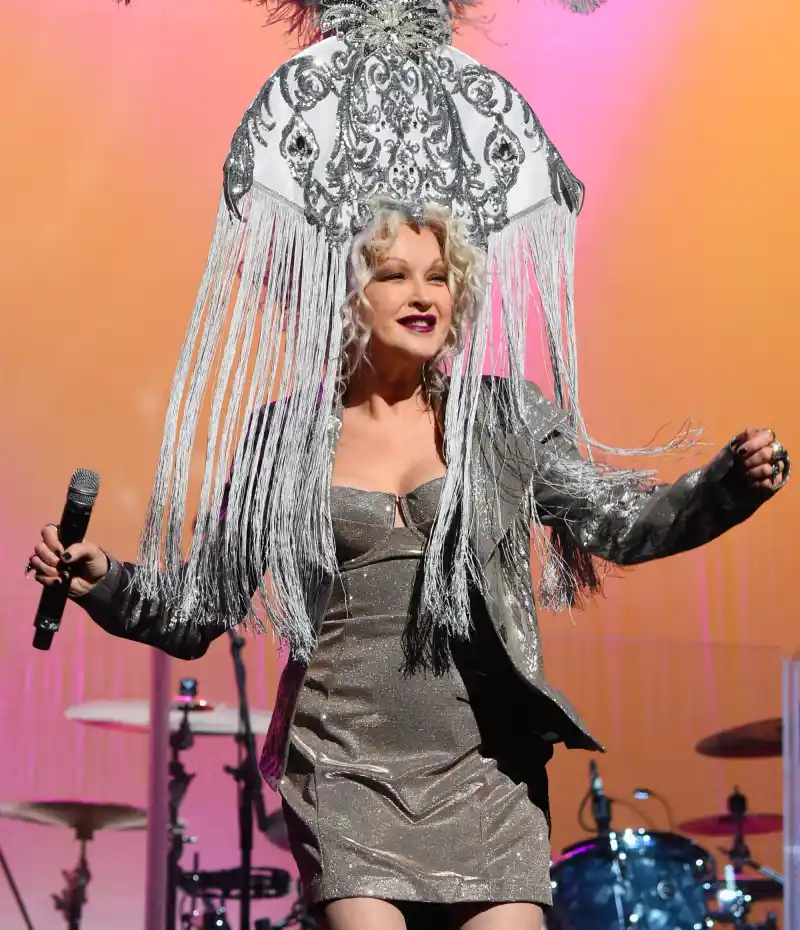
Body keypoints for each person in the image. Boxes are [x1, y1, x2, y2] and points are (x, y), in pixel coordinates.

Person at [29, 203, 788, 930]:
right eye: (394, 274)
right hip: (344, 762)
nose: (424, 294)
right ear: (348, 295)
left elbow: (619, 526)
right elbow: (202, 606)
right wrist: (107, 582)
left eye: (439, 275)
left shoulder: (502, 418)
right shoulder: (283, 440)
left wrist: (722, 487)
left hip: (485, 769)